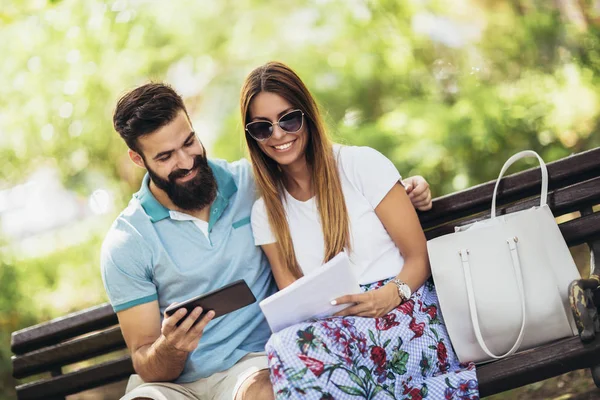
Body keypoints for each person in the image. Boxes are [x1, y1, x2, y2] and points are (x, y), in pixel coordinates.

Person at [101, 82, 433, 400]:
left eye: (189, 142)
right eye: (165, 157)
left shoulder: (251, 184)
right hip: (171, 388)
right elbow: (146, 361)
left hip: (252, 368)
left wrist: (405, 189)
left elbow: (321, 183)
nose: (186, 162)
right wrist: (171, 347)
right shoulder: (128, 242)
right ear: (137, 159)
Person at [242, 62, 479, 400]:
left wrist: (389, 295)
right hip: (334, 331)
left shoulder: (360, 165)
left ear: (307, 115)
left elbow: (418, 256)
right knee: (289, 345)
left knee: (291, 350)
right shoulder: (266, 212)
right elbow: (294, 302)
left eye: (288, 119)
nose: (278, 135)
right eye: (262, 127)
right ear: (252, 135)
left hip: (404, 310)